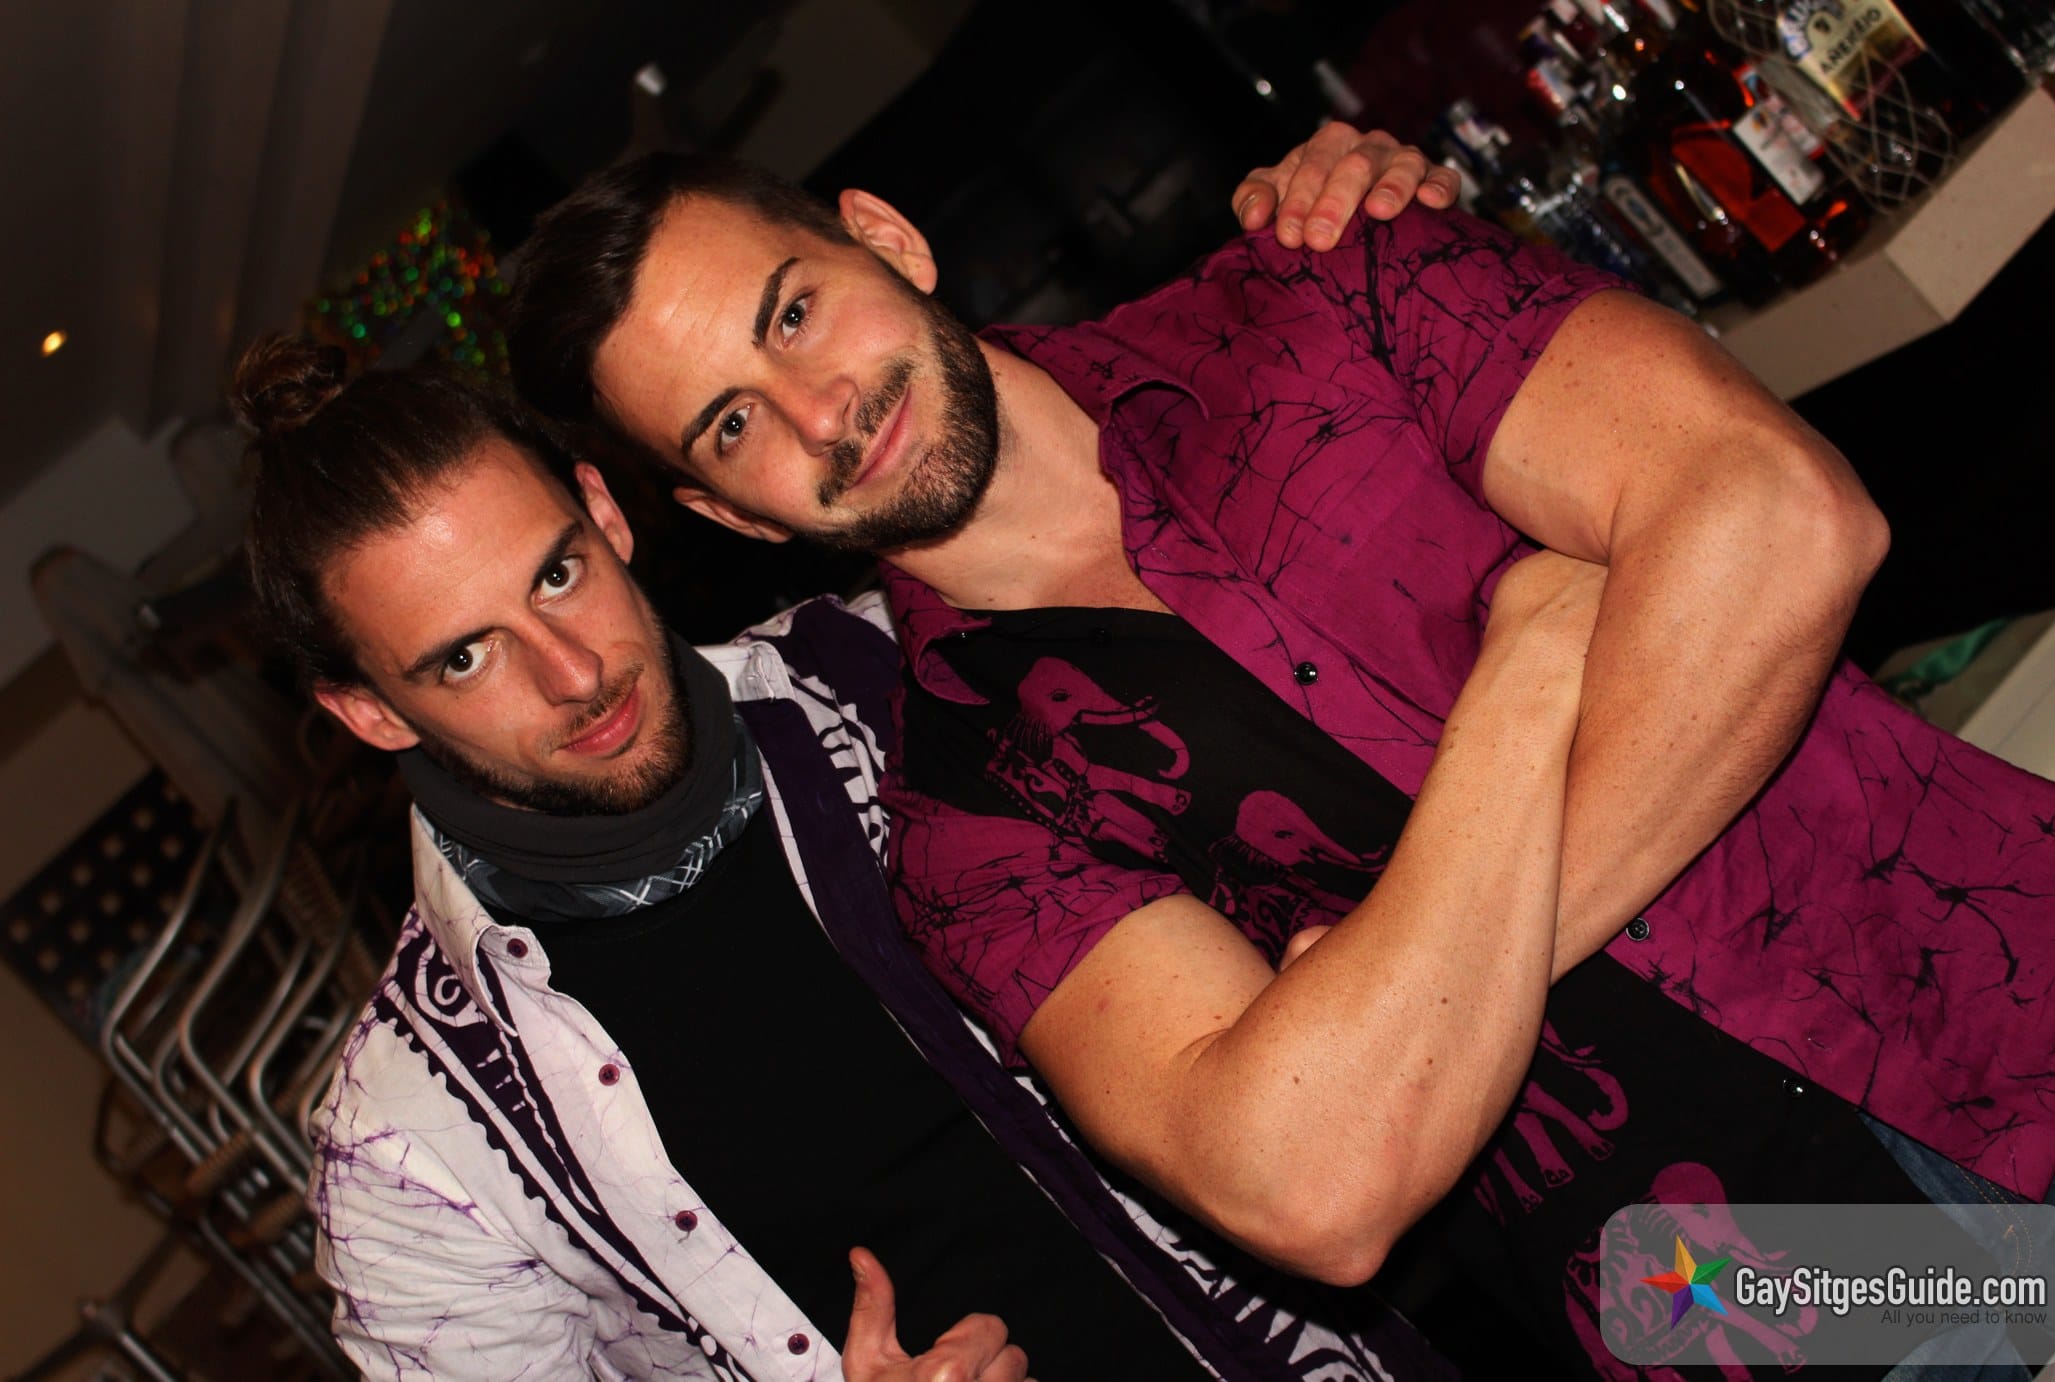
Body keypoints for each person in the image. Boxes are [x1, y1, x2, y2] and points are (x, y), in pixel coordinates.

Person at [504, 131, 2055, 1376]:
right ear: (724, 513)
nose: (820, 413)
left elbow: (1786, 522)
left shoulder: (1326, 280)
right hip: (1769, 1304)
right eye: (730, 426)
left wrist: (1398, 989)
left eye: (794, 311)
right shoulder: (968, 832)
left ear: (884, 239)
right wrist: (1529, 671)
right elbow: (1313, 1188)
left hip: (2010, 981)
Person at [257, 137, 1470, 1380]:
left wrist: (1349, 213)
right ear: (370, 713)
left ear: (606, 513)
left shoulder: (911, 666)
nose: (572, 672)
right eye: (465, 657)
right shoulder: (416, 1154)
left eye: (557, 574)